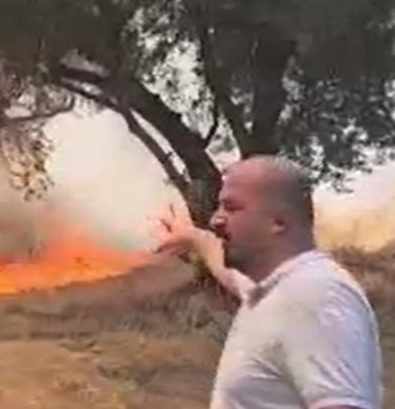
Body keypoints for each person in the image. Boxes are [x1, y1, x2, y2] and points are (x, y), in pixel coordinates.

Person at [156, 155, 383, 409]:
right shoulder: (277, 290)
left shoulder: (316, 295)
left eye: (231, 208)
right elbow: (229, 273)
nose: (215, 220)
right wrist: (193, 237)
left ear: (279, 222)